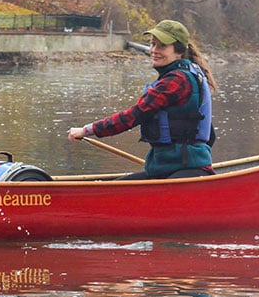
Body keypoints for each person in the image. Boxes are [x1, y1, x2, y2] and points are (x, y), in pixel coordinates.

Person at [67, 19, 216, 180]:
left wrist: (87, 130)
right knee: (117, 186)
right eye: (152, 44)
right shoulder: (187, 74)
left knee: (113, 192)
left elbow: (133, 115)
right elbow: (210, 135)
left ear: (178, 51)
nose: (154, 50)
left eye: (162, 46)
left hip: (184, 168)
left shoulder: (177, 81)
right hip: (168, 167)